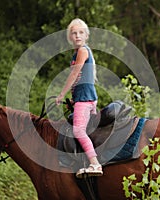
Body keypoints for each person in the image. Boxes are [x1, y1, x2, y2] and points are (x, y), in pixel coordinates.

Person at [55, 18, 103, 178]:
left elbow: (75, 73)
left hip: (86, 99)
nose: (77, 35)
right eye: (74, 33)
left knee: (78, 130)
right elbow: (80, 80)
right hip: (82, 98)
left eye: (81, 32)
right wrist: (73, 99)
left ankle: (95, 164)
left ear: (86, 35)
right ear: (70, 37)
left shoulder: (83, 50)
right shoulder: (76, 53)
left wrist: (62, 94)